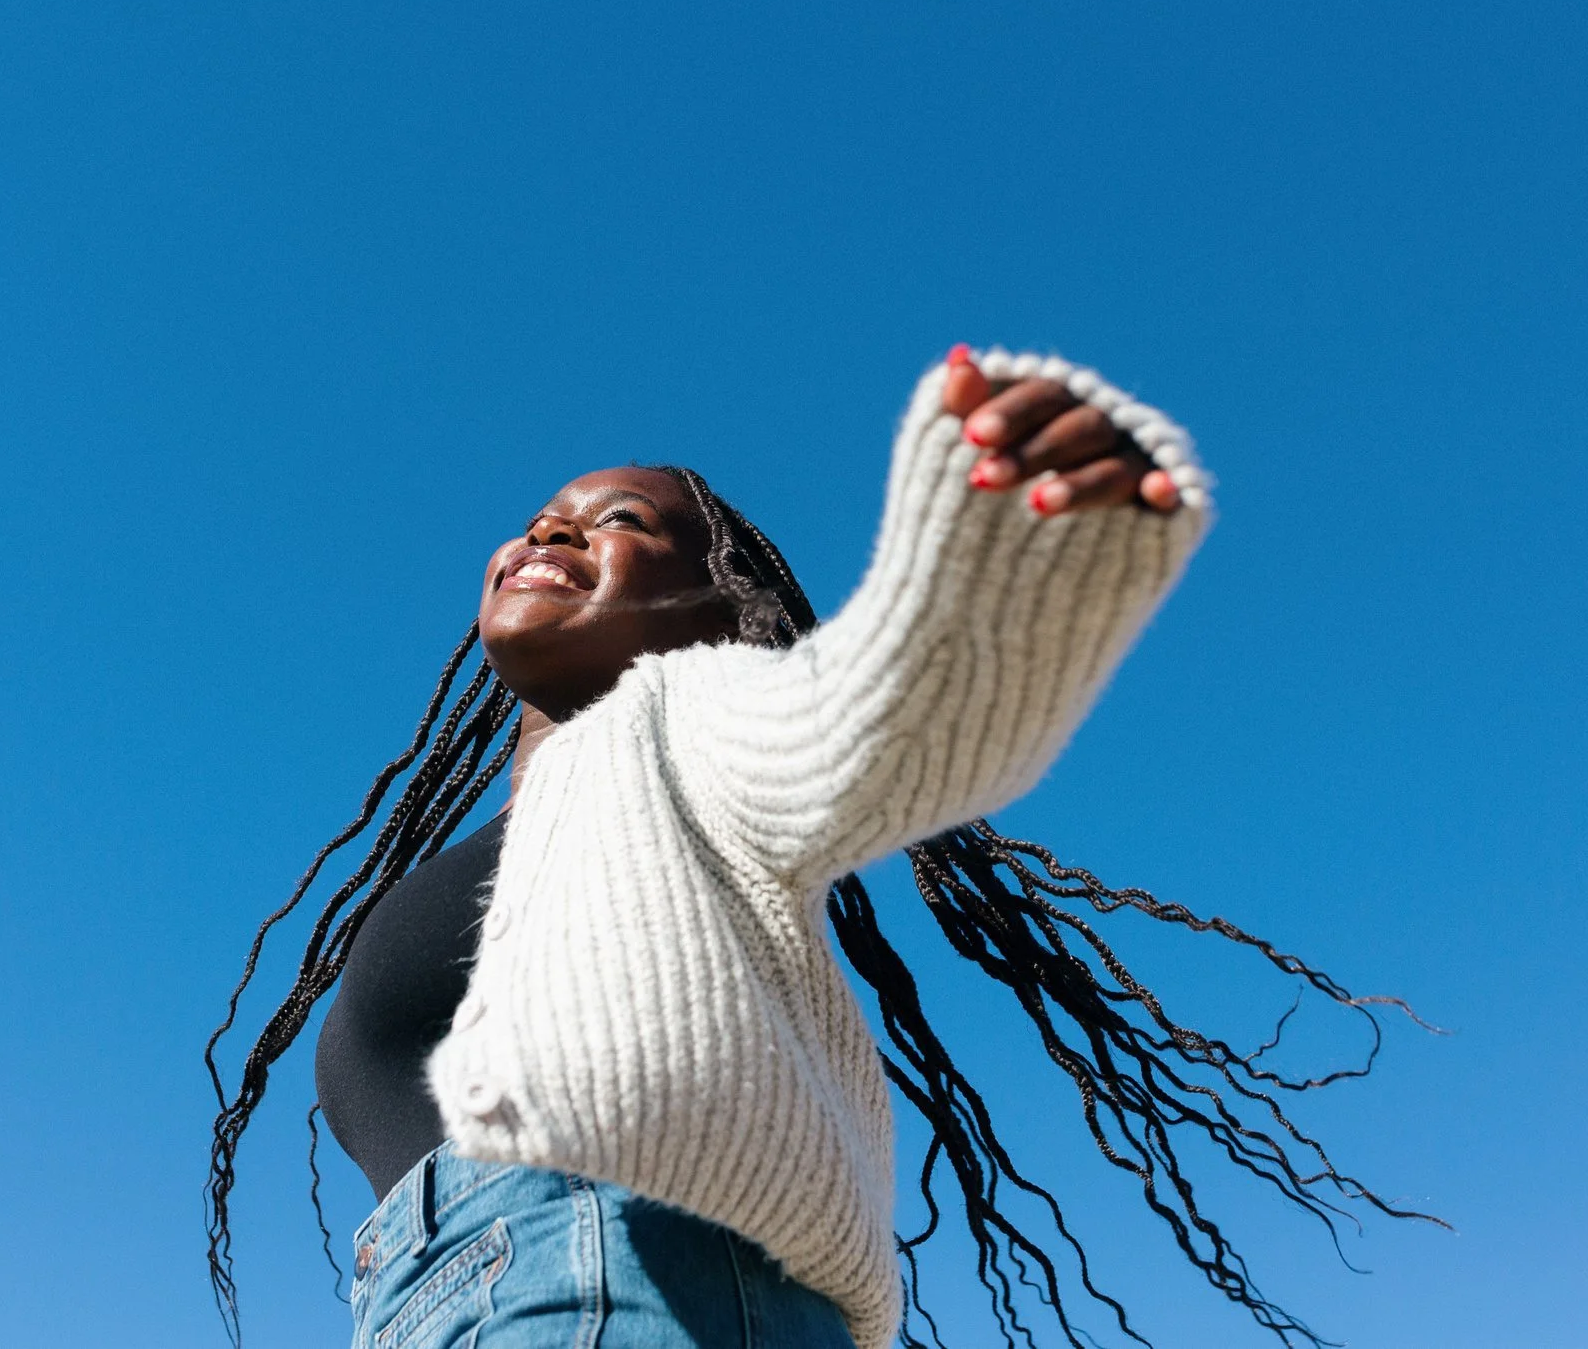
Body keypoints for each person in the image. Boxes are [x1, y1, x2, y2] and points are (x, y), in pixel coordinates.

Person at [206, 346, 1431, 1349]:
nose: (551, 534)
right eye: (538, 519)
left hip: (608, 1283)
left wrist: (1011, 555)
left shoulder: (696, 727)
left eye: (615, 521)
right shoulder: (527, 838)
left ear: (715, 605)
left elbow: (877, 717)